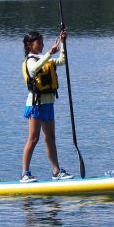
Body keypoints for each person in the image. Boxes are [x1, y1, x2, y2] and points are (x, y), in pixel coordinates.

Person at [20, 28, 72, 182]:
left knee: (50, 137)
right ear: (29, 45)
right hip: (36, 104)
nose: (42, 44)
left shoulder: (44, 57)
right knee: (34, 138)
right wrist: (50, 52)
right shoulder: (30, 60)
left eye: (43, 42)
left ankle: (56, 171)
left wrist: (62, 43)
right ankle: (25, 173)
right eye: (39, 42)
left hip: (48, 103)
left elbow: (62, 61)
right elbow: (34, 70)